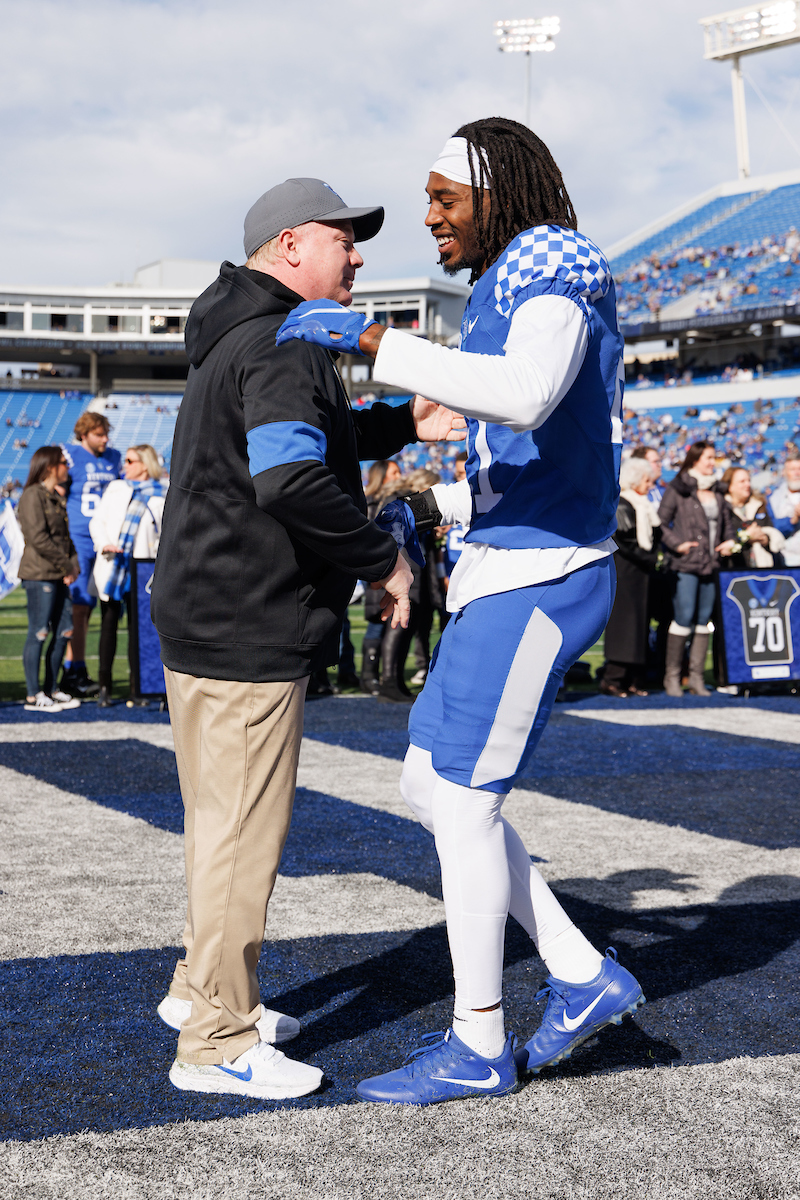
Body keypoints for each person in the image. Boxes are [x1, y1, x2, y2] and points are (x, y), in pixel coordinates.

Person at [278, 118, 644, 1106]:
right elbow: (517, 461)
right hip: (505, 560)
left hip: (539, 574)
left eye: (444, 197)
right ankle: (577, 973)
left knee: (466, 803)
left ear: (497, 192)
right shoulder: (499, 280)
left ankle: (478, 1043)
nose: (431, 217)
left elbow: (525, 397)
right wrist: (423, 498)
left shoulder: (553, 256)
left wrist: (375, 340)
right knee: (429, 789)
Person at [150, 176, 463, 1101]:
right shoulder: (286, 340)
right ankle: (215, 1040)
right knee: (242, 838)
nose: (360, 254)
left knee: (217, 829)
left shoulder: (240, 330)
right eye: (343, 239)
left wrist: (401, 420)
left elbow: (308, 441)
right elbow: (291, 481)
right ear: (291, 246)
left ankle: (199, 992)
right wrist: (382, 560)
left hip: (206, 614)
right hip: (249, 618)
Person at [89, 444, 167, 706]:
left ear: (145, 464)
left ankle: (139, 689)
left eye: (131, 461)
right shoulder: (116, 488)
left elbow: (165, 533)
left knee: (139, 631)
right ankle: (104, 688)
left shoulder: (163, 492)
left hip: (144, 570)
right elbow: (97, 521)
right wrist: (104, 543)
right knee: (108, 627)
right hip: (114, 566)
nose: (125, 466)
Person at [658, 441, 736, 697]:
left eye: (714, 458)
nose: (712, 462)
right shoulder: (678, 488)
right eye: (709, 458)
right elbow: (661, 522)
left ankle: (696, 678)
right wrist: (677, 545)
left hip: (711, 564)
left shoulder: (717, 490)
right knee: (684, 616)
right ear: (695, 459)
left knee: (704, 620)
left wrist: (730, 541)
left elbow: (728, 524)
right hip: (686, 564)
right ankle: (672, 677)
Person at [61, 412, 122, 697]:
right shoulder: (69, 456)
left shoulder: (114, 457)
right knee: (80, 605)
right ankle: (74, 669)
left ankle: (80, 669)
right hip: (79, 539)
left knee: (105, 606)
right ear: (84, 434)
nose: (106, 439)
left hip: (107, 539)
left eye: (106, 433)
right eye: (99, 434)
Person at [16, 447, 81, 712]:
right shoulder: (32, 495)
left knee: (65, 629)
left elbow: (64, 539)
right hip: (39, 573)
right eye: (64, 463)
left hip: (57, 573)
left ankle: (52, 688)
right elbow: (39, 538)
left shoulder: (54, 496)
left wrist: (73, 565)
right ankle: (33, 695)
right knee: (39, 632)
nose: (67, 467)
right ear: (50, 466)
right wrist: (67, 564)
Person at [600, 457, 661, 697]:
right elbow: (622, 540)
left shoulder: (643, 505)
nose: (650, 484)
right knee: (624, 626)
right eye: (646, 480)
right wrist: (650, 558)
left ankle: (634, 679)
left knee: (640, 625)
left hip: (640, 574)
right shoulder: (623, 503)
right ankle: (613, 678)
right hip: (625, 572)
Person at [720, 466, 784, 568]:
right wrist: (747, 536)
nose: (748, 485)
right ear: (730, 486)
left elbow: (770, 530)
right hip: (733, 568)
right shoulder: (722, 508)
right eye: (742, 481)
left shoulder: (759, 505)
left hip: (762, 567)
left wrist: (764, 539)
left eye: (749, 480)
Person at [766, 455, 800, 565]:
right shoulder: (773, 498)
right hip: (786, 561)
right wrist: (793, 519)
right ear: (784, 472)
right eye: (792, 469)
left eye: (799, 469)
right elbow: (771, 527)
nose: (797, 473)